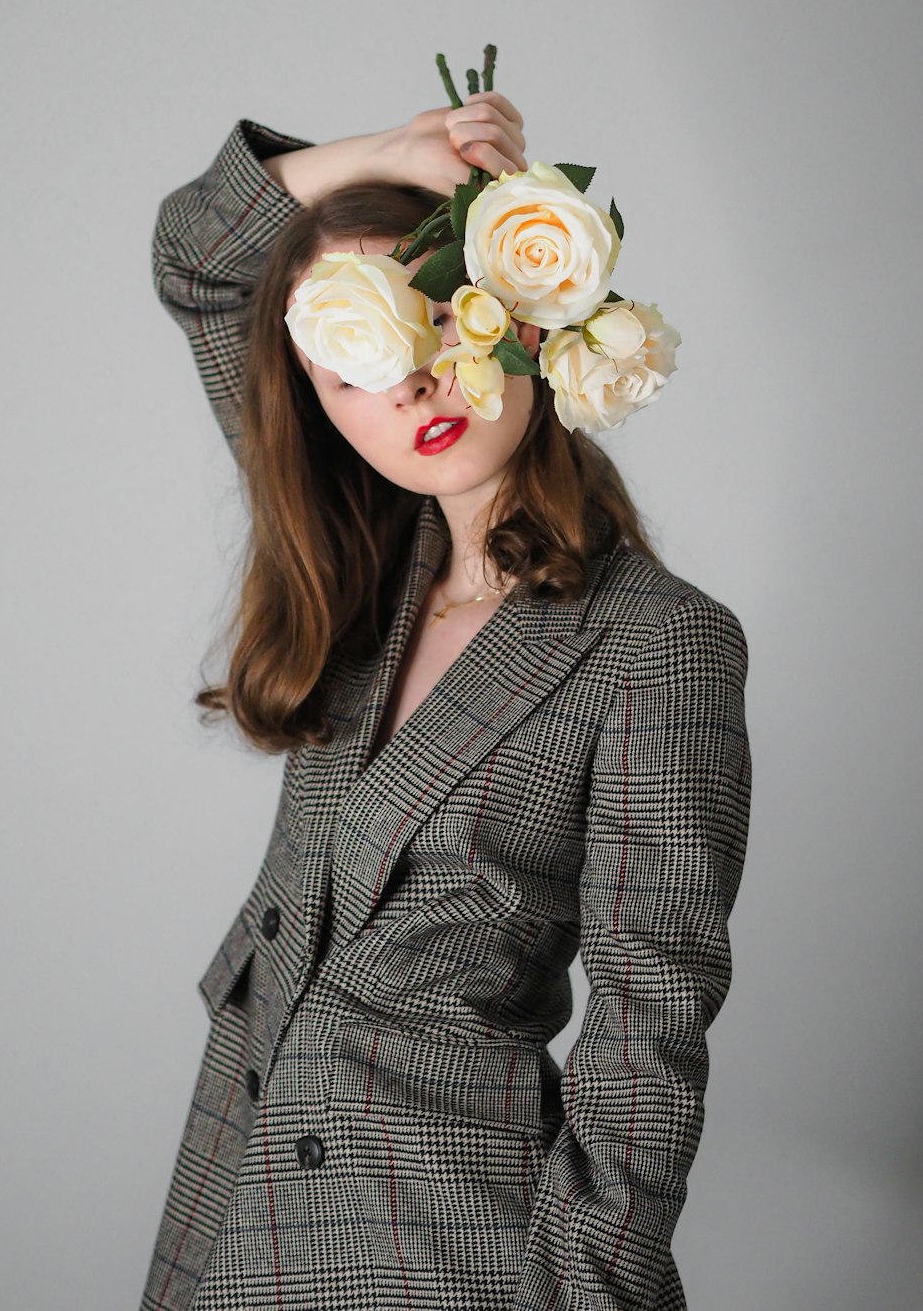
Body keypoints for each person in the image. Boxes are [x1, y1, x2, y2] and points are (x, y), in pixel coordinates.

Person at [138, 88, 753, 1311]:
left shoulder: (657, 643)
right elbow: (199, 257)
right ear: (320, 405)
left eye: (434, 321)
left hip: (452, 1243)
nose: (411, 386)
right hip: (234, 1188)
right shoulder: (366, 572)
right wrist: (386, 154)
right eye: (356, 362)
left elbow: (647, 1047)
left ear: (524, 317)